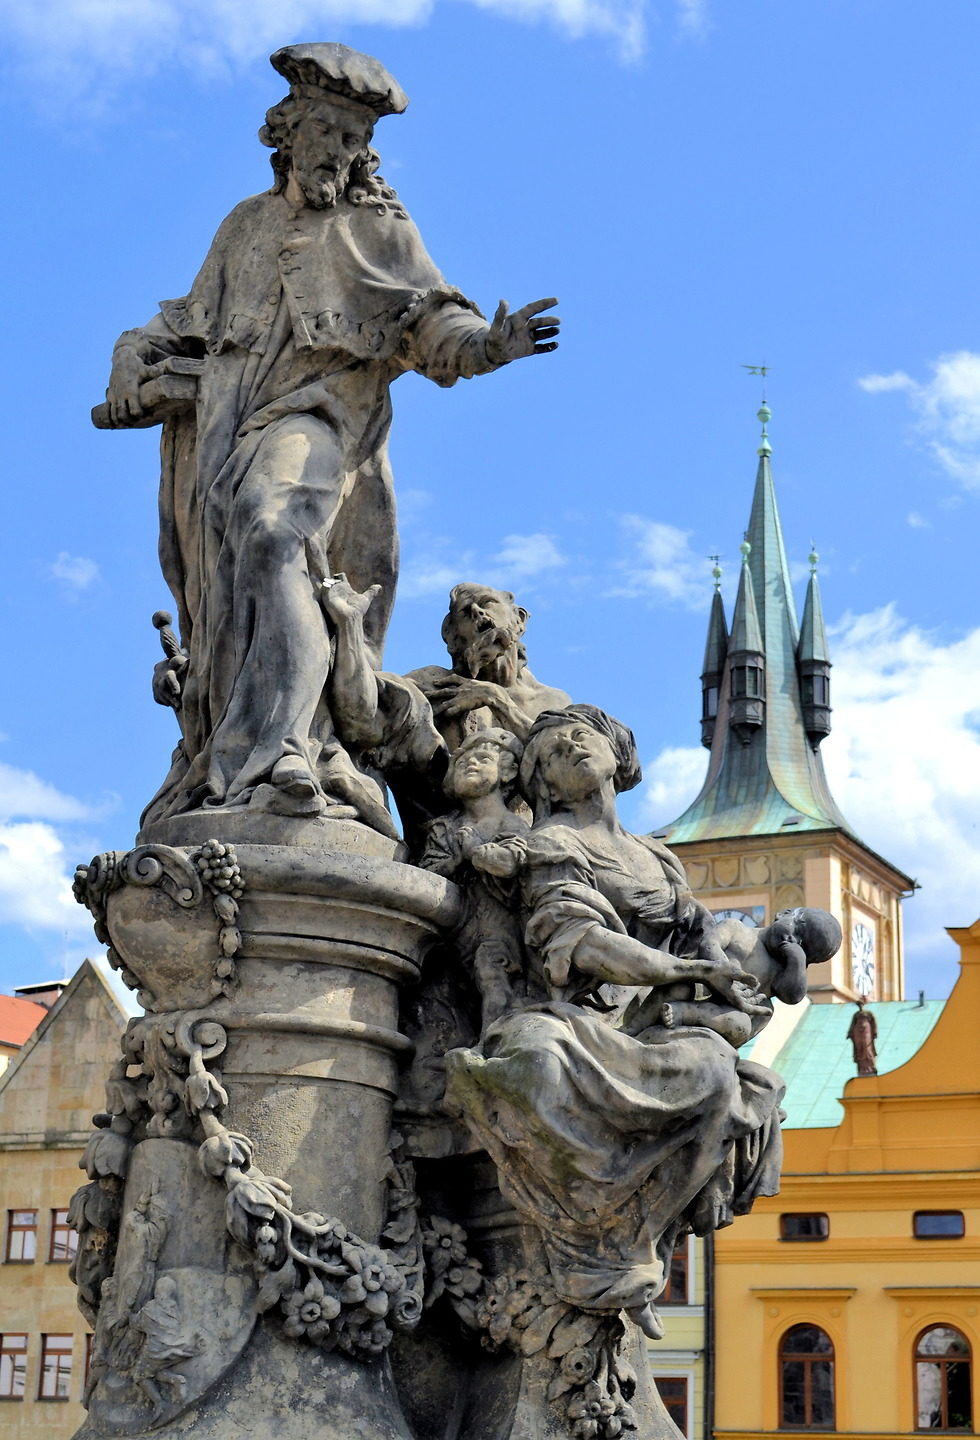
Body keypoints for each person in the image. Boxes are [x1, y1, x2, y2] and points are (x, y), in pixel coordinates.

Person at [103, 43, 560, 826]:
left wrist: (491, 345)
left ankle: (286, 743)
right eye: (331, 136)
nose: (346, 155)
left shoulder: (377, 226)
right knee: (236, 573)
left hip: (322, 422)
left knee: (277, 536)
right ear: (289, 132)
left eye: (357, 142)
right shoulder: (243, 226)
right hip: (226, 434)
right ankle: (239, 748)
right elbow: (182, 322)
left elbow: (431, 319)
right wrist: (128, 356)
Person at [444, 705, 787, 1340]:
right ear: (542, 783)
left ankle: (637, 1238)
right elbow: (578, 939)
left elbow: (701, 941)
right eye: (549, 752)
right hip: (567, 1014)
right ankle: (597, 1237)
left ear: (616, 753)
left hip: (648, 1027)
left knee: (721, 1073)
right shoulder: (553, 842)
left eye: (583, 736)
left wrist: (731, 976)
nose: (570, 747)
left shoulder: (659, 858)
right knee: (537, 1063)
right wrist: (675, 970)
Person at [417, 729, 529, 1032]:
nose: (470, 764)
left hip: (497, 926)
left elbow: (515, 866)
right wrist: (458, 861)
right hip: (452, 927)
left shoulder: (513, 824)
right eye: (462, 761)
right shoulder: (444, 827)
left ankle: (496, 1043)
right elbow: (426, 873)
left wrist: (476, 853)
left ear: (507, 771)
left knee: (492, 974)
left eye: (483, 759)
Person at [633, 907, 843, 1047]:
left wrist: (796, 960)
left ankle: (684, 1013)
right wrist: (723, 972)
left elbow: (793, 997)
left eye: (803, 946)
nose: (793, 940)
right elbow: (709, 944)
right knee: (679, 987)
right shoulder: (738, 929)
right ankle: (633, 1027)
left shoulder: (780, 973)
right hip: (701, 986)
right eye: (797, 930)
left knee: (744, 1023)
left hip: (725, 1011)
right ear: (783, 913)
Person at [408, 584, 571, 750]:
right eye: (464, 612)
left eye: (487, 603)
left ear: (519, 620)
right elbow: (386, 691)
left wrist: (497, 699)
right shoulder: (433, 684)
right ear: (451, 637)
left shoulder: (552, 701)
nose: (477, 612)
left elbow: (563, 757)